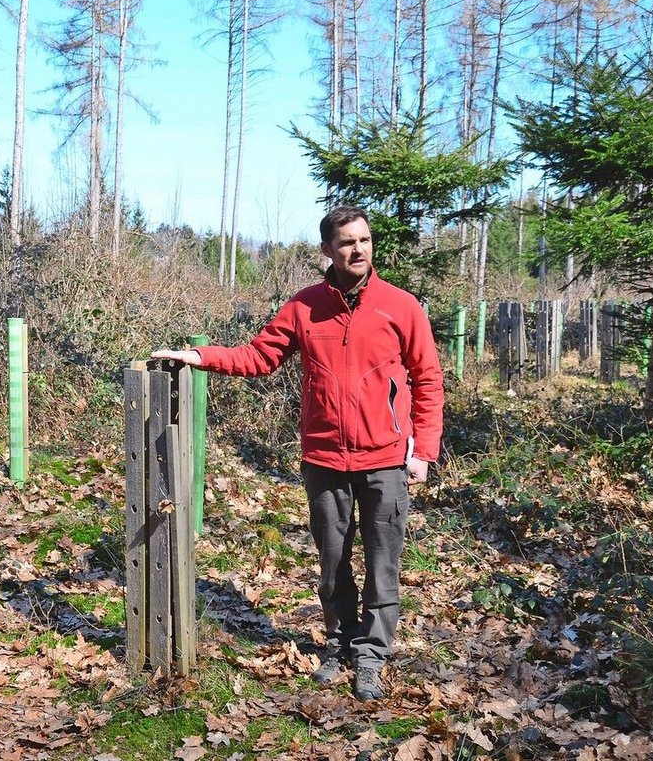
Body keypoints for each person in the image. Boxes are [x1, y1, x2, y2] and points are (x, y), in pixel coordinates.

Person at [152, 204, 445, 701]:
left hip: (386, 458)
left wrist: (424, 450)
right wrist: (199, 357)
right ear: (327, 250)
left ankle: (371, 656)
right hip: (325, 458)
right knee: (332, 562)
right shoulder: (304, 307)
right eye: (347, 242)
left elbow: (428, 379)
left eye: (364, 240)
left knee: (383, 564)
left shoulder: (400, 306)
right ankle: (339, 643)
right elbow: (259, 356)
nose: (358, 249)